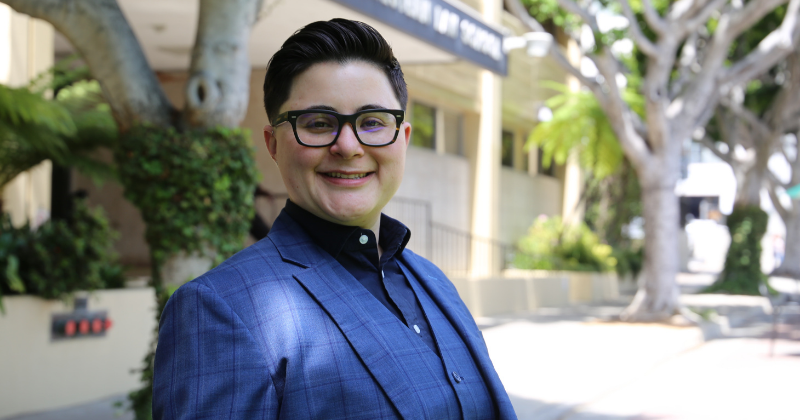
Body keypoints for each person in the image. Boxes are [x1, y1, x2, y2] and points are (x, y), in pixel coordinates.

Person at [153, 18, 516, 420]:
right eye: (318, 124)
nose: (348, 146)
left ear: (403, 139)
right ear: (273, 145)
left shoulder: (435, 282)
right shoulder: (219, 309)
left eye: (373, 122)